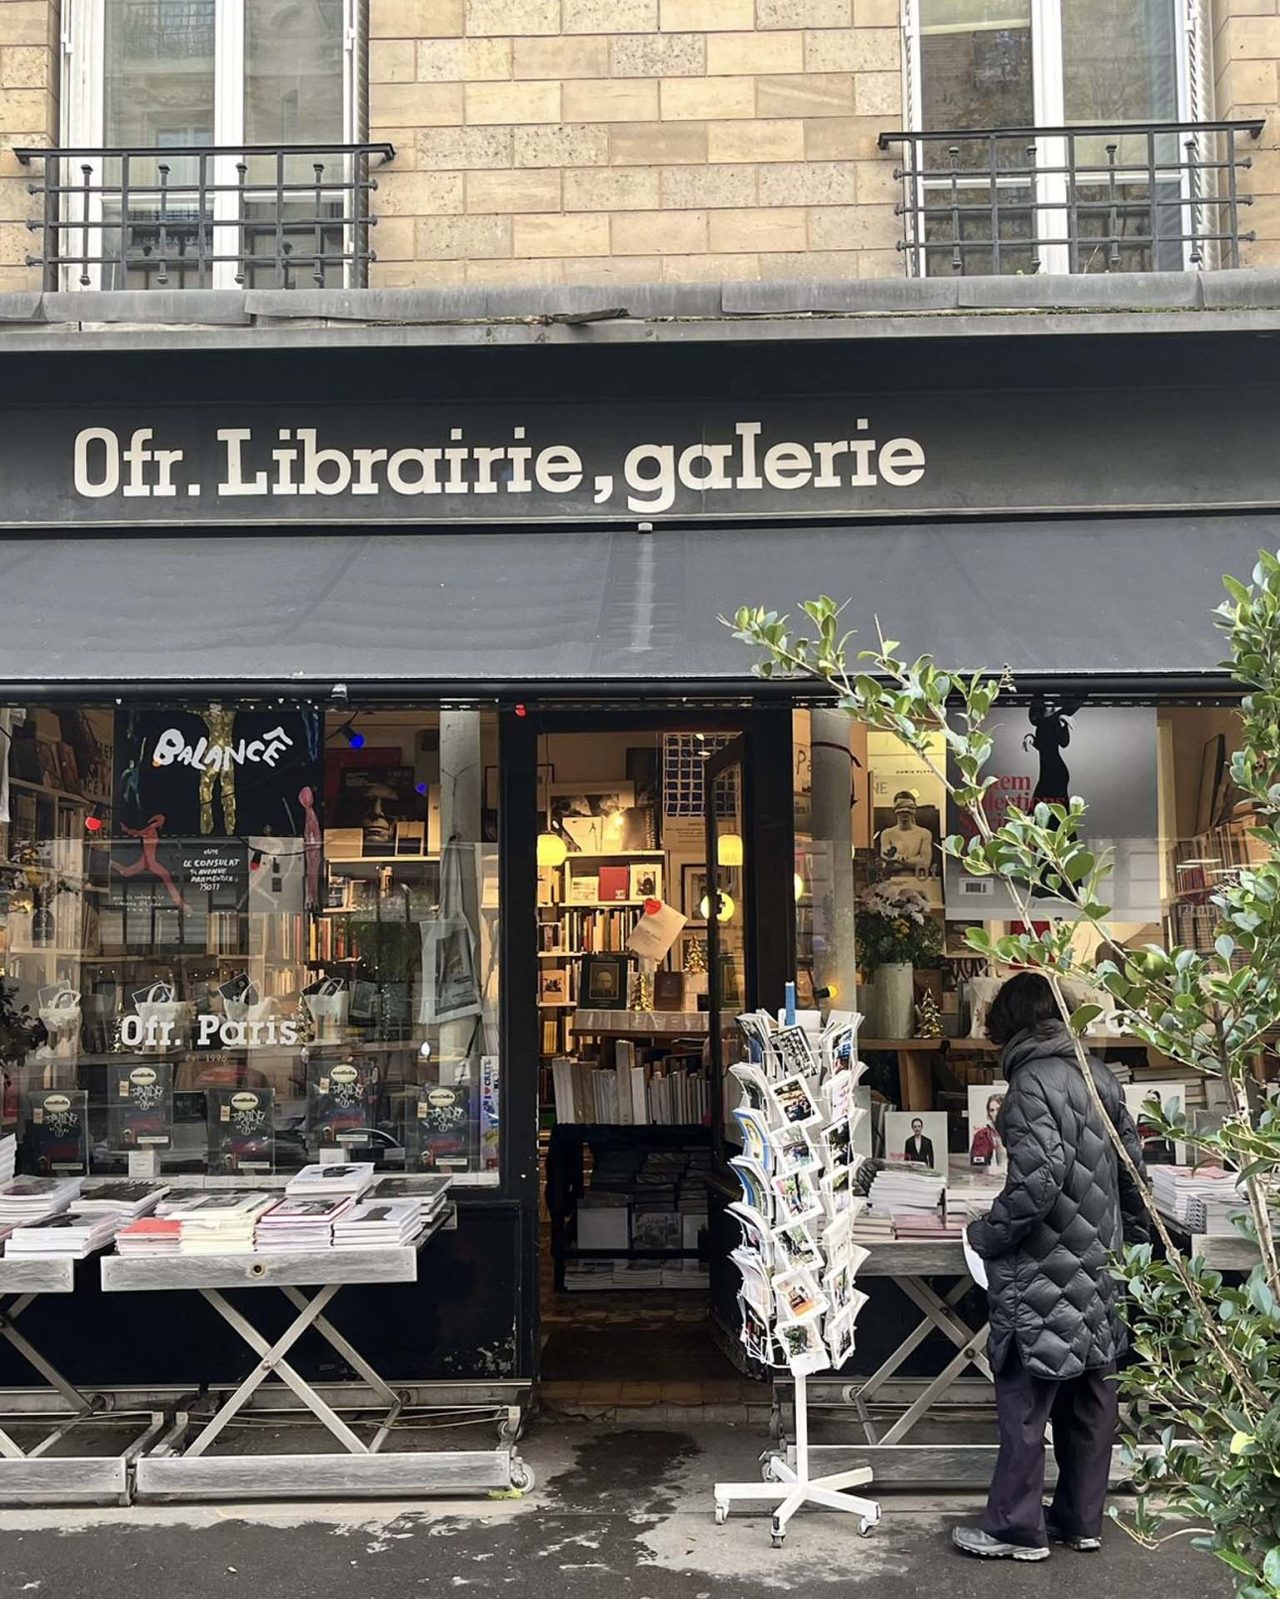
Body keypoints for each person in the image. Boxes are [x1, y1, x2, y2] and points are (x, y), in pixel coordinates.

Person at [953, 972, 1148, 1563]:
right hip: (1101, 1265)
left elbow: (1036, 1182)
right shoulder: (1099, 1075)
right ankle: (1080, 1521)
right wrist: (1133, 1248)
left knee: (1026, 1401)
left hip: (1041, 1271)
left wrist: (986, 1233)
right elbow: (1133, 1172)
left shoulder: (1029, 1085)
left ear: (1009, 1024)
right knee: (1091, 1398)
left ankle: (1015, 1528)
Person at [878, 791, 934, 875]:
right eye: (901, 808)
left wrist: (897, 858)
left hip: (918, 880)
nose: (905, 811)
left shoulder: (924, 834)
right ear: (895, 809)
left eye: (909, 808)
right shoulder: (887, 834)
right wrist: (914, 861)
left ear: (914, 809)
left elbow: (925, 864)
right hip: (893, 881)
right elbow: (886, 865)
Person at [969, 1092, 1006, 1168]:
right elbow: (978, 1165)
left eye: (998, 1109)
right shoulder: (983, 1135)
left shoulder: (1018, 1132)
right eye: (992, 1110)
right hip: (994, 1174)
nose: (995, 1113)